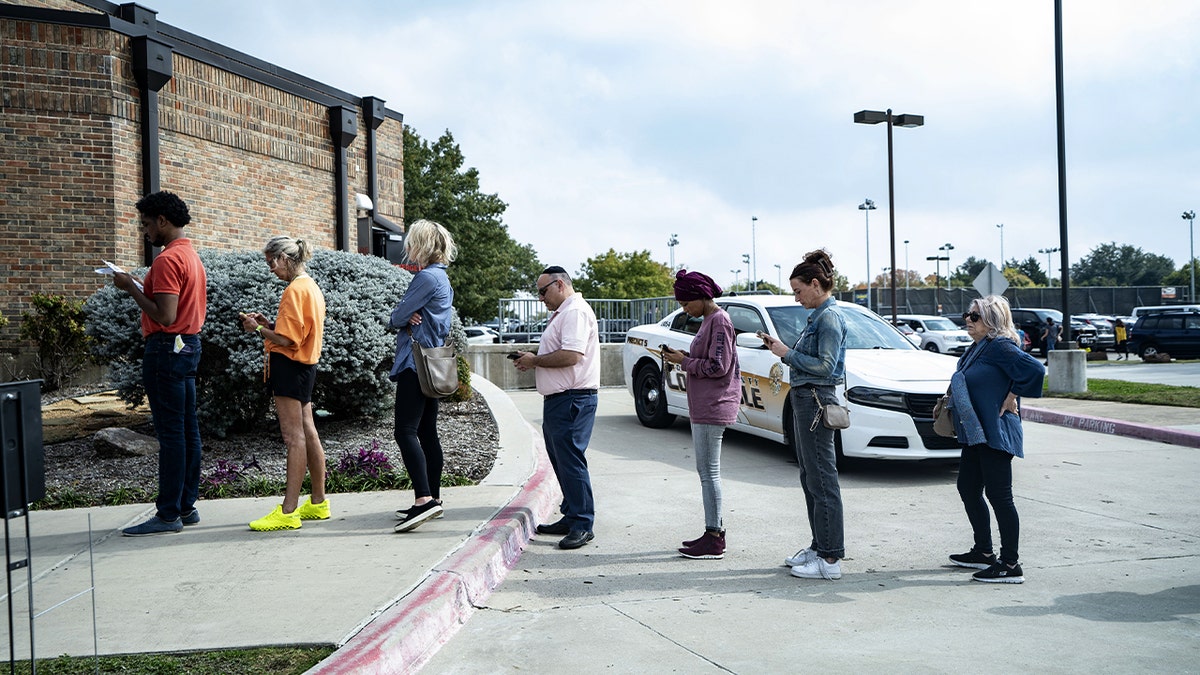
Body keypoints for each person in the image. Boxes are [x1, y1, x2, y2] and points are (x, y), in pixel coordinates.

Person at [115, 191, 207, 536]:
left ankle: (168, 514)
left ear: (162, 221)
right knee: (187, 430)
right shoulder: (190, 255)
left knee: (171, 435)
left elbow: (166, 316)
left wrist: (130, 288)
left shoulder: (168, 260)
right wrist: (143, 286)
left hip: (166, 349)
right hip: (188, 346)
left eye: (147, 224)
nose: (145, 231)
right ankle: (186, 506)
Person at [760, 249, 847, 580]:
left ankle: (830, 559)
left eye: (798, 291)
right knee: (811, 476)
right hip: (807, 399)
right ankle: (820, 546)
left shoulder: (829, 318)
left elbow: (825, 366)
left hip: (816, 399)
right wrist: (784, 350)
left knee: (822, 478)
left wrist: (787, 353)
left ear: (815, 284)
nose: (796, 298)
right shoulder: (820, 316)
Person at [946, 295, 1045, 583]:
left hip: (996, 431)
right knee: (968, 487)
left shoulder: (1000, 346)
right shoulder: (978, 348)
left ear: (992, 320)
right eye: (968, 314)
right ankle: (983, 551)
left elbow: (1035, 370)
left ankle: (1010, 564)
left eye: (975, 316)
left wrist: (1013, 395)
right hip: (978, 432)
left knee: (1000, 496)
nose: (968, 319)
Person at [240, 236, 329, 531]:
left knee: (294, 437)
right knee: (308, 431)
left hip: (289, 368)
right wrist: (270, 324)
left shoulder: (293, 290)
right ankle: (318, 502)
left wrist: (259, 328)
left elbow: (289, 340)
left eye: (271, 262)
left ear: (285, 259)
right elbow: (299, 333)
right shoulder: (310, 286)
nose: (270, 269)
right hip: (306, 366)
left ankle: (288, 511)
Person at [513, 266, 600, 550]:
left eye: (543, 291)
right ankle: (573, 515)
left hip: (572, 399)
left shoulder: (574, 311)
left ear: (559, 284)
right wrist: (533, 359)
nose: (540, 298)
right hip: (563, 399)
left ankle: (582, 524)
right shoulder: (565, 312)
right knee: (563, 460)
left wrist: (535, 361)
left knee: (571, 461)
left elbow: (572, 356)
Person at [661, 270, 740, 560]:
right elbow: (709, 360)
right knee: (707, 472)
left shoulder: (719, 321)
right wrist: (684, 357)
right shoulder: (711, 321)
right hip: (705, 404)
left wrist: (685, 361)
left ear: (700, 296)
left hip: (713, 404)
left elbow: (718, 366)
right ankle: (713, 533)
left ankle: (714, 537)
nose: (685, 309)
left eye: (685, 303)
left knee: (709, 473)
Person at [388, 220, 456, 533]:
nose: (410, 248)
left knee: (405, 431)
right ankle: (434, 499)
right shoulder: (442, 279)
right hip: (431, 364)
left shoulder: (426, 278)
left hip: (415, 364)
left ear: (423, 246)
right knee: (427, 433)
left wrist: (405, 317)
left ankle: (423, 499)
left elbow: (397, 317)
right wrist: (409, 316)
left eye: (413, 243)